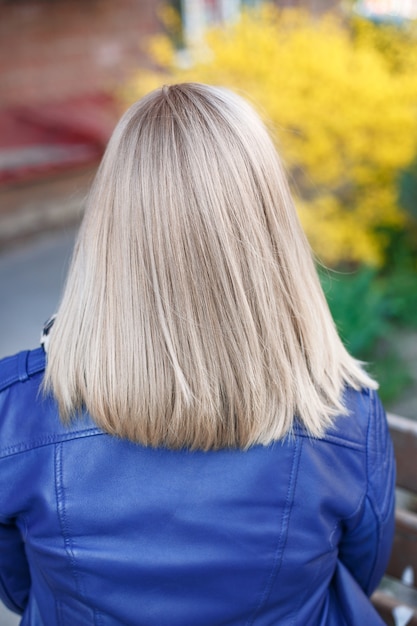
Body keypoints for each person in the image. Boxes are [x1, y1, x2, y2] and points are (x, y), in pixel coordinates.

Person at [0, 83, 395, 626]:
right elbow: (360, 572)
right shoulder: (345, 415)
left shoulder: (16, 411)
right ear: (268, 230)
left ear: (109, 226)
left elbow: (19, 588)